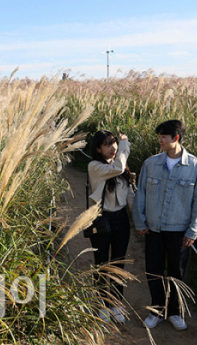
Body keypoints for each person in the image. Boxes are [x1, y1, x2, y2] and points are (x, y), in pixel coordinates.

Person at [132, 120, 197, 331]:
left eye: (163, 137)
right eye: (159, 137)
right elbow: (141, 194)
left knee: (177, 273)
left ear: (176, 138)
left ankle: (175, 312)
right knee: (153, 270)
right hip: (154, 229)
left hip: (180, 231)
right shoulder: (150, 163)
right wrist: (140, 220)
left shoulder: (196, 166)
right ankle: (157, 311)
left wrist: (193, 230)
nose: (160, 141)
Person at [88, 130, 135, 324]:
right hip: (102, 218)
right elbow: (118, 167)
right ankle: (101, 305)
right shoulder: (95, 166)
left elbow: (131, 195)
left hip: (121, 219)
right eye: (108, 144)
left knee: (118, 264)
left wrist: (139, 221)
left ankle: (116, 305)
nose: (113, 147)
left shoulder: (120, 166)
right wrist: (125, 144)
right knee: (102, 265)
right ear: (98, 149)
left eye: (114, 143)